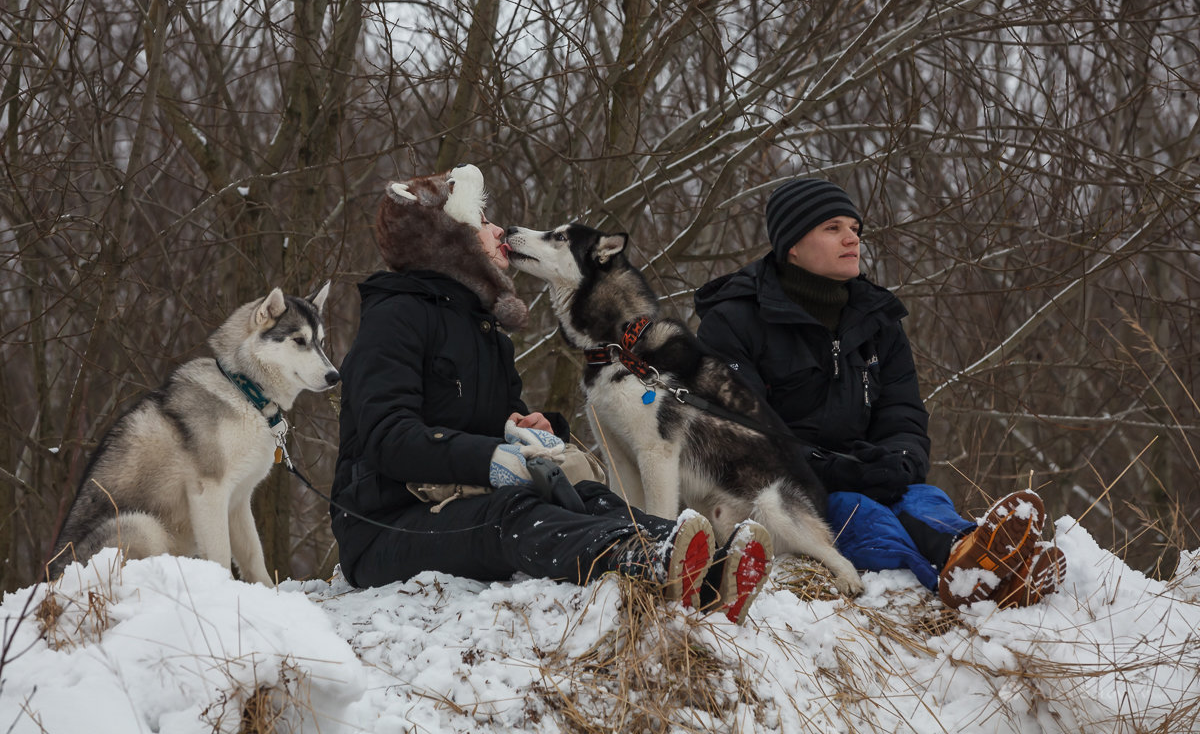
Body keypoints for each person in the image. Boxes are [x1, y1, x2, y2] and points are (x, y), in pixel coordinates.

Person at [329, 166, 772, 624]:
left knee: (585, 494)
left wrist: (527, 427)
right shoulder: (394, 317)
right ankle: (649, 563)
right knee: (514, 512)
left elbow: (490, 423)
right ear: (447, 238)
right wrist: (493, 458)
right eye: (482, 222)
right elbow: (388, 438)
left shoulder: (484, 331)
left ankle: (712, 562)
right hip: (385, 527)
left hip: (458, 503)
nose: (499, 230)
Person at [694, 178, 1066, 609]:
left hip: (867, 469)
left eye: (854, 227)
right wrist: (836, 470)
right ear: (792, 245)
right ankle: (959, 567)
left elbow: (902, 410)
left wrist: (902, 460)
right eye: (833, 227)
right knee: (861, 511)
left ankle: (984, 552)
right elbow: (744, 433)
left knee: (924, 498)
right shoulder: (733, 321)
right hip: (783, 494)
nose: (852, 238)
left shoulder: (876, 318)